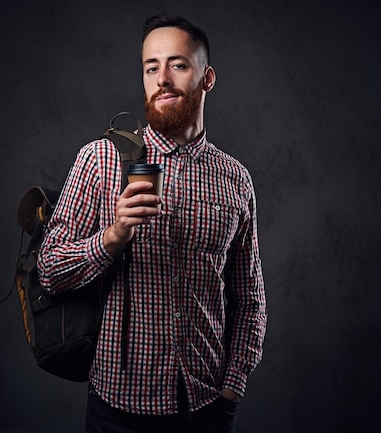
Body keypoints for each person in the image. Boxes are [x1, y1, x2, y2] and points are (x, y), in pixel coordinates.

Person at [38, 13, 267, 433]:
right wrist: (113, 236)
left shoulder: (235, 178)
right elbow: (49, 271)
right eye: (151, 66)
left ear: (207, 77)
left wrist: (233, 387)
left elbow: (249, 297)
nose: (162, 78)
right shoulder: (100, 159)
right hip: (118, 408)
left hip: (206, 406)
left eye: (177, 64)